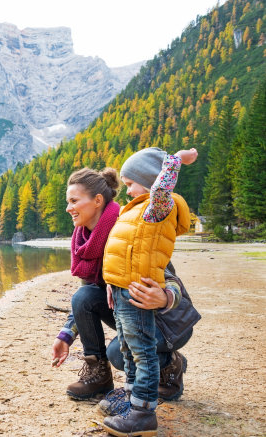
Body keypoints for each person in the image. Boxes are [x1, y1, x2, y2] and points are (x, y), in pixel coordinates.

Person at [100, 147, 198, 436]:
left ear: (151, 180)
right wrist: (112, 282)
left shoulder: (157, 208)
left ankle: (143, 413)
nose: (127, 191)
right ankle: (131, 398)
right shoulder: (137, 211)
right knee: (129, 350)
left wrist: (175, 160)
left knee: (142, 352)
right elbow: (125, 252)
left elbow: (163, 186)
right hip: (123, 291)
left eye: (130, 184)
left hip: (139, 294)